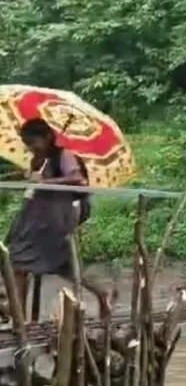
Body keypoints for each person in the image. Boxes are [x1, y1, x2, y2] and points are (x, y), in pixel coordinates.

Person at [6, 118, 114, 319]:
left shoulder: (65, 156)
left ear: (47, 137)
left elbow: (78, 180)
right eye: (28, 144)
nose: (31, 148)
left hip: (54, 220)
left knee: (23, 261)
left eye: (34, 142)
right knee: (23, 262)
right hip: (35, 220)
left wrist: (46, 181)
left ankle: (19, 318)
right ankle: (18, 317)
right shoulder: (37, 160)